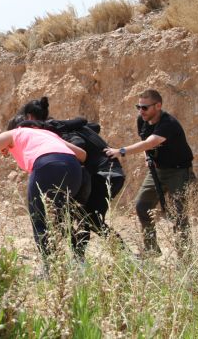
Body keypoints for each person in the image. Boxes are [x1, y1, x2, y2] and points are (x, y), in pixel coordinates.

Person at [0, 115, 87, 263]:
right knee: (60, 218)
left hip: (47, 165)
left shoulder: (16, 132)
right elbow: (82, 154)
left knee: (40, 219)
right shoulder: (48, 134)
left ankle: (51, 269)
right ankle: (78, 261)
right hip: (74, 171)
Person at [18, 97, 127, 260]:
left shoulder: (55, 131)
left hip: (104, 174)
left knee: (89, 219)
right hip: (110, 173)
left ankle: (124, 256)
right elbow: (94, 126)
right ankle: (79, 259)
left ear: (30, 118)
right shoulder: (64, 126)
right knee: (81, 216)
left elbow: (79, 143)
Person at [105, 89, 197, 257]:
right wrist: (147, 158)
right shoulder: (142, 120)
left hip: (179, 172)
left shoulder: (168, 123)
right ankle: (151, 250)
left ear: (158, 106)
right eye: (138, 107)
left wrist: (121, 151)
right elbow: (145, 143)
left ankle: (186, 258)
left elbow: (151, 142)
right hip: (157, 170)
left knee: (179, 215)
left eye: (145, 107)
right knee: (142, 206)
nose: (141, 111)